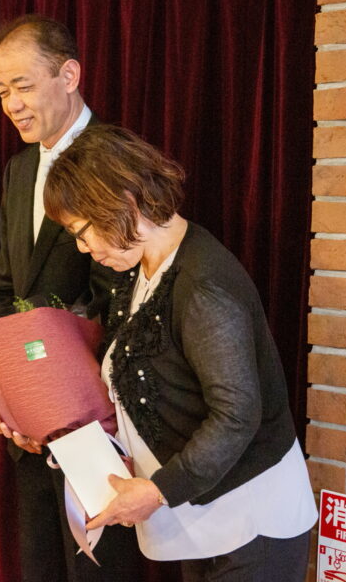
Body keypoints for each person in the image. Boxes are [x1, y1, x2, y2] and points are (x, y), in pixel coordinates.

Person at [43, 123, 318, 581]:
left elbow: (237, 415)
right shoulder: (142, 269)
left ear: (124, 202)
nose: (82, 247)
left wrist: (158, 491)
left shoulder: (202, 284)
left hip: (250, 523)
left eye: (83, 231)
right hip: (201, 517)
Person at [0, 15, 144, 581]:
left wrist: (58, 395)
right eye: (2, 91)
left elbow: (127, 300)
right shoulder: (18, 170)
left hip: (96, 424)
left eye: (23, 86)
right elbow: (5, 289)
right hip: (30, 432)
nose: (12, 105)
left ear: (69, 75)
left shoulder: (116, 159)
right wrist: (12, 396)